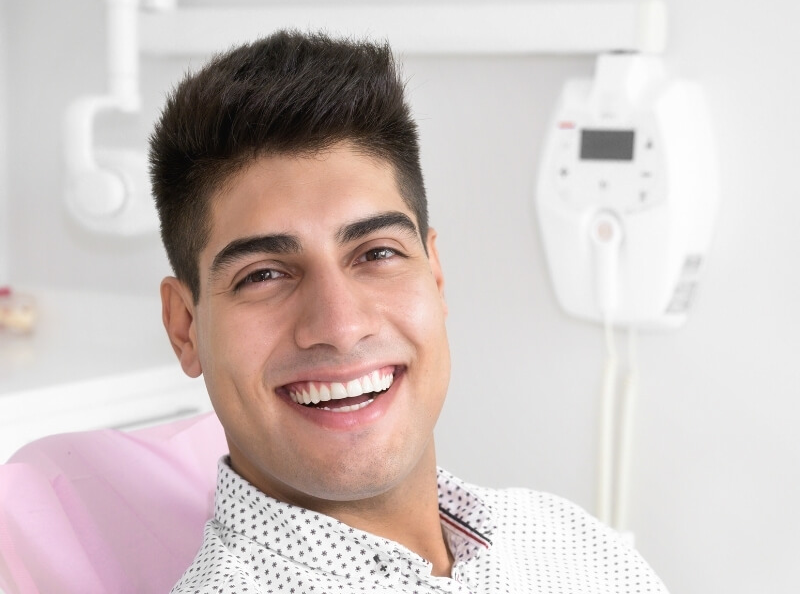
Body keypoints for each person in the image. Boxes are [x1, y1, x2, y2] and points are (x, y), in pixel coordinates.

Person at [151, 30, 668, 593]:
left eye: (376, 254)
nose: (340, 326)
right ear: (185, 327)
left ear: (435, 272)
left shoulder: (567, 541)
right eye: (264, 275)